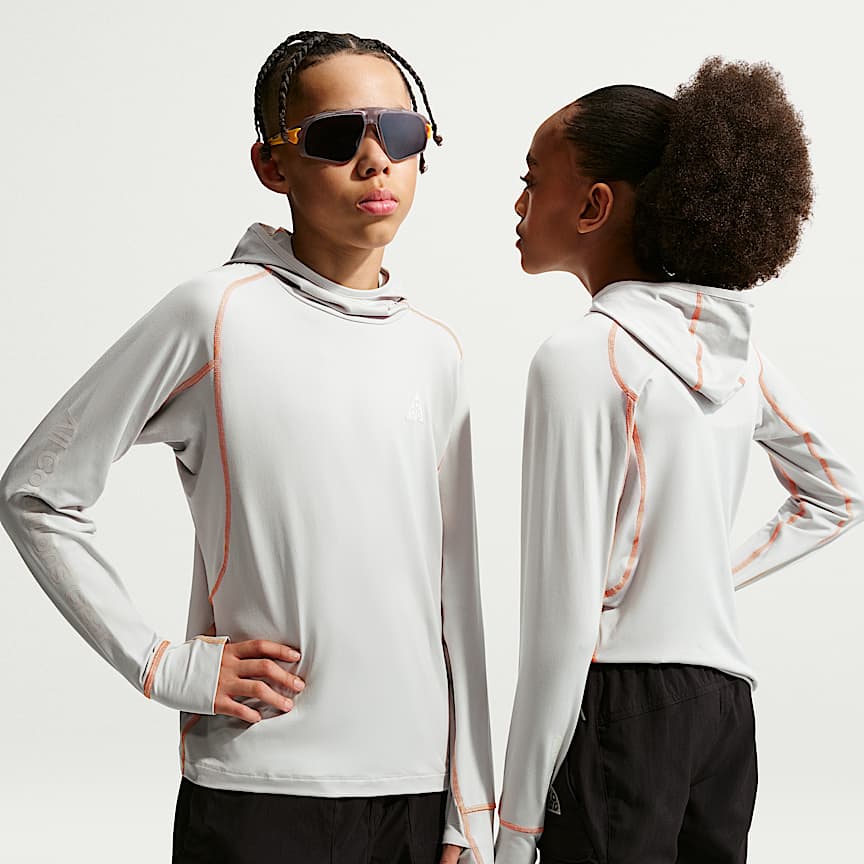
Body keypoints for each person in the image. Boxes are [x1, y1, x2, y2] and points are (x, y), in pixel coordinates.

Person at [0, 30, 494, 864]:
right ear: (273, 164)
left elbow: (457, 590)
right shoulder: (214, 315)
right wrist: (161, 665)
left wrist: (471, 805)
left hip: (413, 791)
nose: (376, 160)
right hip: (260, 788)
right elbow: (37, 492)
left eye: (401, 133)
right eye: (337, 136)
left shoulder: (434, 350)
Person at [495, 56, 864, 864]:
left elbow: (560, 620)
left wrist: (516, 827)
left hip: (619, 704)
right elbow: (838, 493)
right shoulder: (736, 355)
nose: (517, 204)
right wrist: (697, 577)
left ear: (594, 205)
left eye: (532, 180)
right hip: (724, 710)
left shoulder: (580, 355)